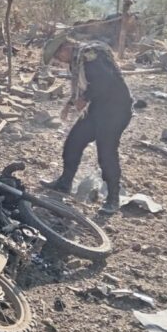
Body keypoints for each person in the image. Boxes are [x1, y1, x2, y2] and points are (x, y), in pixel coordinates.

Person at [40, 35, 133, 214]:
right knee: (74, 142)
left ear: (65, 47)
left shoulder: (91, 55)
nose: (59, 61)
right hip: (98, 108)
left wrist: (85, 98)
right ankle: (65, 183)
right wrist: (70, 104)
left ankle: (113, 198)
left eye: (58, 57)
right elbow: (84, 86)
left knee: (106, 153)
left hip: (115, 110)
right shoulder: (78, 60)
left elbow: (104, 82)